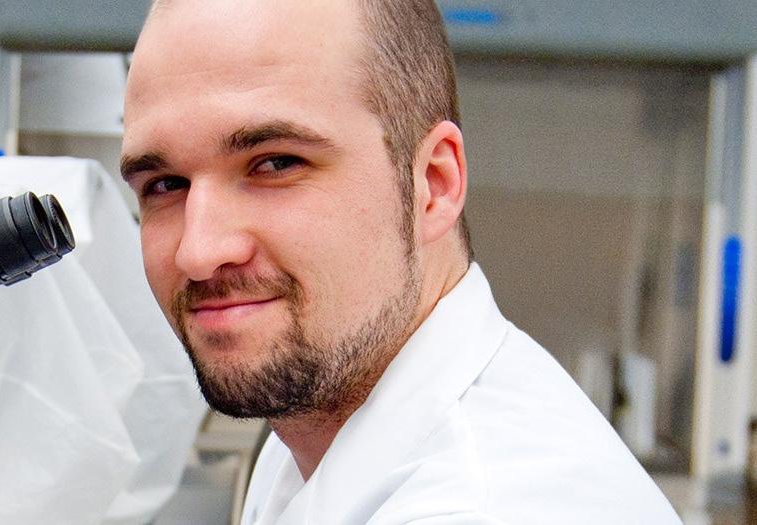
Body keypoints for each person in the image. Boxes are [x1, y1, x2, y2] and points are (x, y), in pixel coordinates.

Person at [120, 0, 681, 522]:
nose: (199, 250)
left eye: (274, 164)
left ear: (434, 184)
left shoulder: (487, 506)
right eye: (164, 183)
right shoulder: (317, 436)